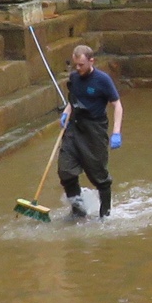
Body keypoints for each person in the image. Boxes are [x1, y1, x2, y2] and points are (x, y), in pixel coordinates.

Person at [56, 43, 123, 219]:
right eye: (75, 64)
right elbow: (74, 100)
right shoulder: (74, 78)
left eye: (81, 65)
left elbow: (117, 105)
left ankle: (105, 214)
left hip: (94, 130)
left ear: (91, 61)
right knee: (65, 171)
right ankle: (78, 209)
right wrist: (66, 113)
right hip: (74, 127)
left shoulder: (103, 80)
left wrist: (116, 132)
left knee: (99, 175)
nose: (77, 68)